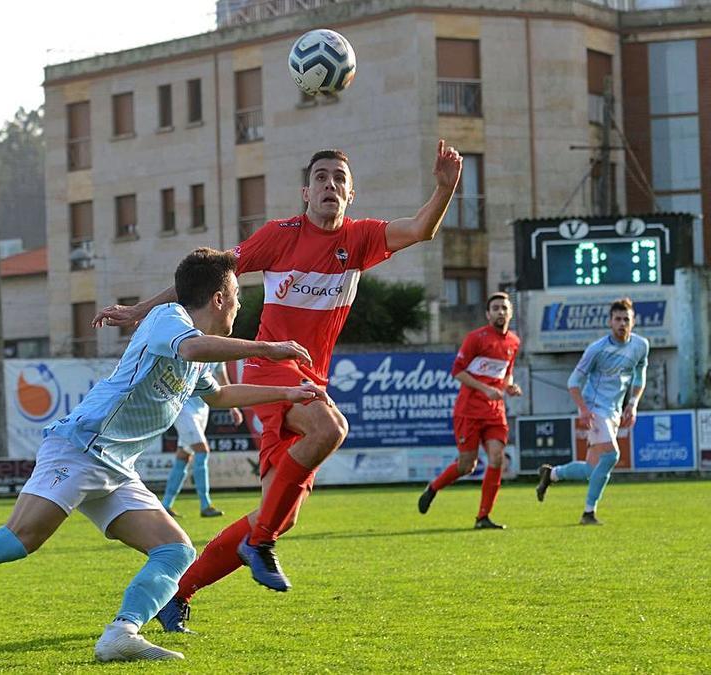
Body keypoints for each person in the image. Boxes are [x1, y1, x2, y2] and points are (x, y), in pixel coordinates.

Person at [0, 248, 322, 664]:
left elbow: (218, 397)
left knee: (175, 551)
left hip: (117, 468)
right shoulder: (169, 320)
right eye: (237, 296)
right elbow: (192, 346)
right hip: (81, 448)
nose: (240, 306)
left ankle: (122, 633)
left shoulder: (199, 352)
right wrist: (268, 347)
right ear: (218, 298)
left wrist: (289, 392)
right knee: (18, 539)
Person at [95, 142, 462, 631]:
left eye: (339, 179)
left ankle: (178, 591)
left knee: (276, 512)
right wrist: (140, 311)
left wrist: (445, 187)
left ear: (351, 194)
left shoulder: (361, 239)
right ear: (305, 192)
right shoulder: (279, 236)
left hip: (310, 377)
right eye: (321, 178)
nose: (330, 185)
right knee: (330, 428)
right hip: (270, 371)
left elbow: (420, 229)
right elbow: (203, 279)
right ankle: (259, 543)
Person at [536, 297, 648, 525]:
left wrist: (633, 403)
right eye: (617, 319)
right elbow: (573, 381)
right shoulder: (597, 349)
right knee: (612, 455)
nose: (622, 324)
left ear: (633, 322)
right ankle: (589, 512)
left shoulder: (640, 345)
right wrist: (583, 409)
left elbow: (639, 376)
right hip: (596, 409)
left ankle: (552, 474)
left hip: (615, 410)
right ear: (610, 322)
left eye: (626, 319)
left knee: (590, 469)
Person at [418, 292, 522, 529]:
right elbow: (457, 372)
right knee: (467, 465)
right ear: (488, 314)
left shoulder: (514, 342)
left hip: (495, 411)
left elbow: (506, 374)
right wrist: (485, 389)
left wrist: (510, 386)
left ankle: (483, 517)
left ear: (510, 312)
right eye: (495, 308)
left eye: (504, 308)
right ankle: (433, 487)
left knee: (497, 458)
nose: (500, 312)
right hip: (469, 410)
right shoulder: (476, 338)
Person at [160, 362, 242, 518]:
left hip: (203, 409)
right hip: (183, 408)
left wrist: (234, 407)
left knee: (184, 455)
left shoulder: (218, 354)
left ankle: (166, 505)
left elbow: (224, 382)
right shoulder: (192, 345)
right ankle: (206, 504)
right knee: (202, 450)